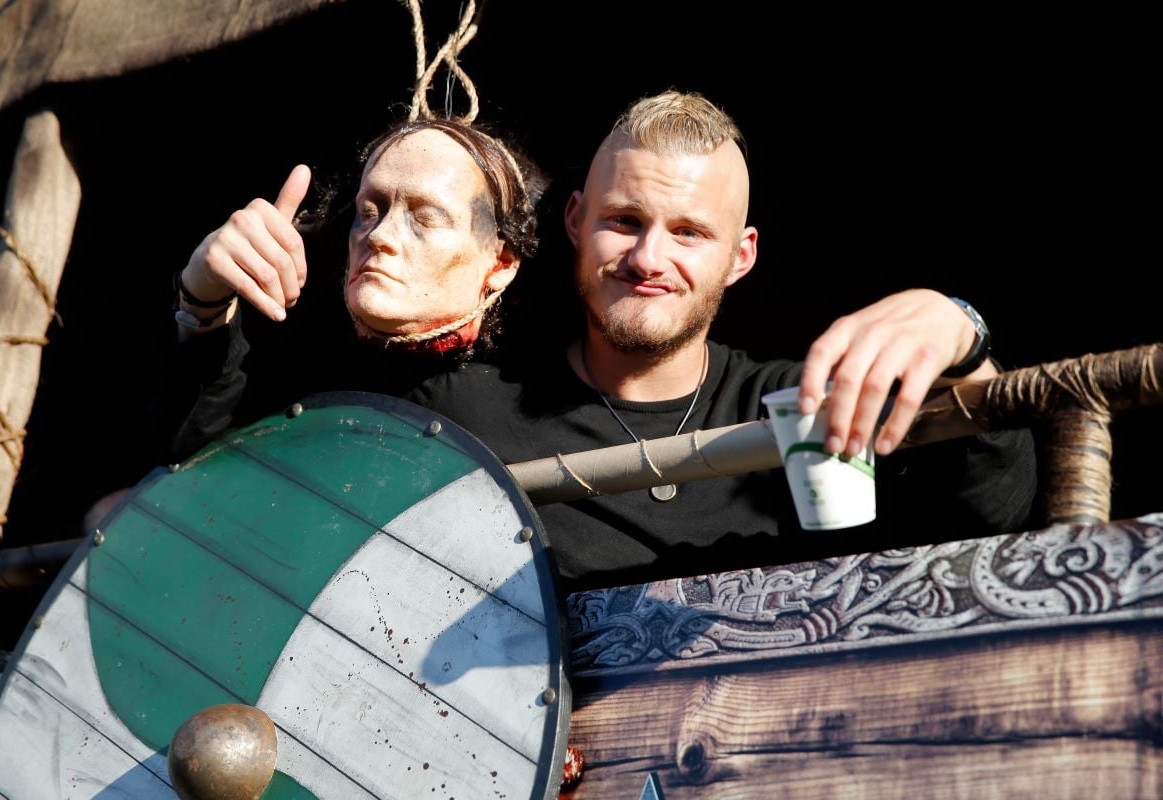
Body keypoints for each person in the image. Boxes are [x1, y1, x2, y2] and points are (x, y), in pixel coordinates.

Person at [410, 90, 1037, 592]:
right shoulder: (462, 412)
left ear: (741, 256)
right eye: (624, 222)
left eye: (689, 233)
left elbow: (990, 513)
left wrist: (962, 339)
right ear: (576, 220)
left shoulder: (802, 405)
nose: (648, 258)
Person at [152, 117, 546, 463]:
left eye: (426, 219)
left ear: (501, 263)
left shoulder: (527, 416)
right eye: (369, 212)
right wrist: (204, 299)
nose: (381, 235)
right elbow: (181, 459)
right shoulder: (288, 351)